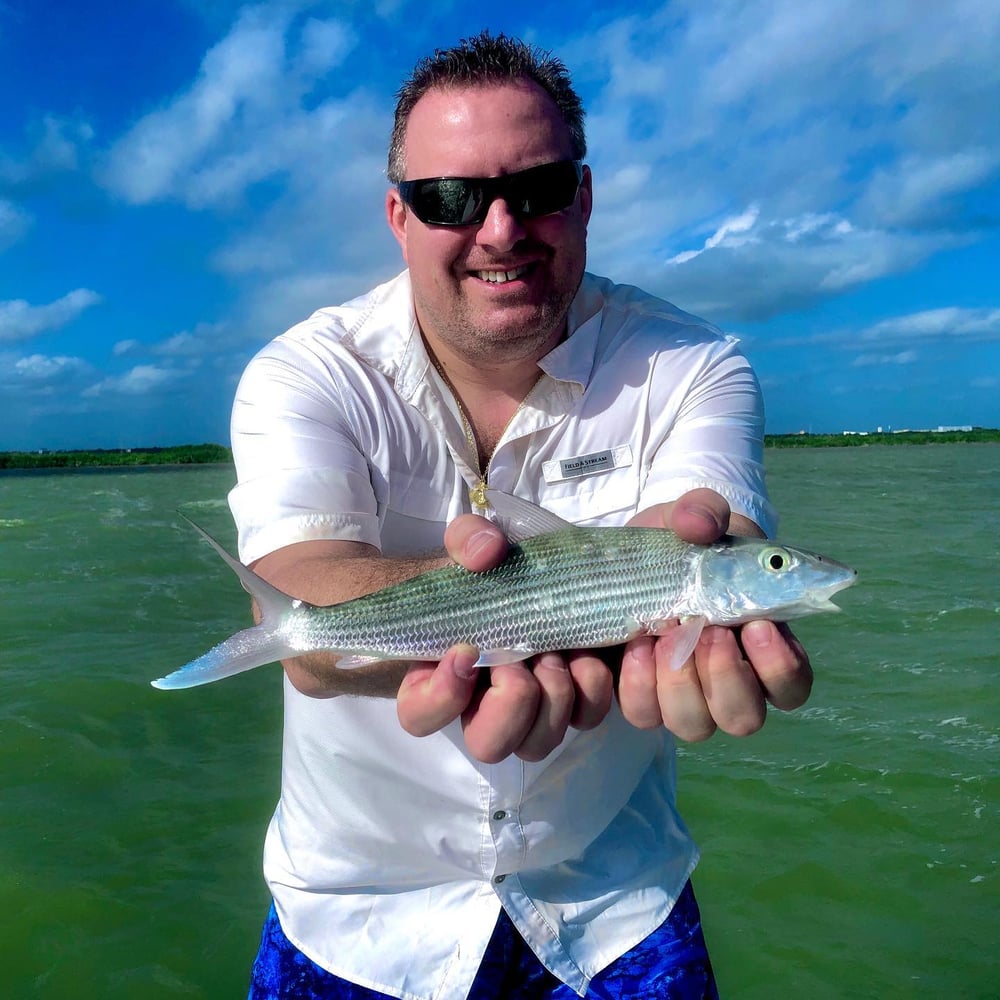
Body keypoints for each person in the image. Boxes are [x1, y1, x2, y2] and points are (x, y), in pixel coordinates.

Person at [231, 30, 812, 1000]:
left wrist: (734, 578)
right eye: (450, 199)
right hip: (355, 914)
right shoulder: (306, 371)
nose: (499, 228)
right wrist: (490, 605)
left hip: (613, 900)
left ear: (582, 195)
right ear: (397, 215)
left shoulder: (693, 363)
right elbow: (300, 590)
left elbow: (712, 524)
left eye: (536, 189)